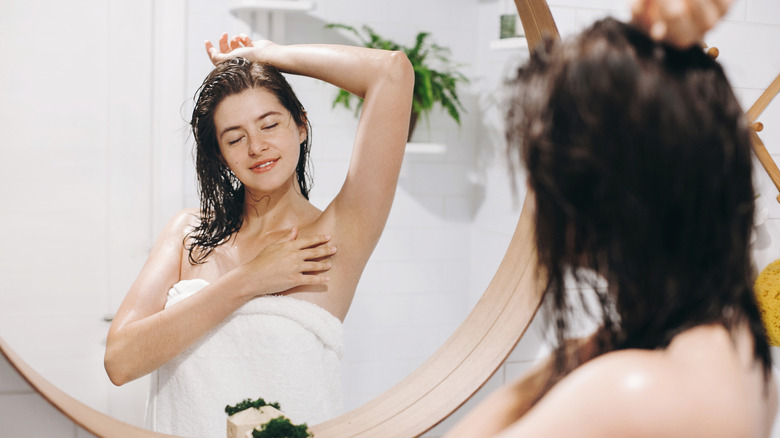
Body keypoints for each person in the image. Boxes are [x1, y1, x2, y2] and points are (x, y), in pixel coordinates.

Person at [446, 10, 775, 438]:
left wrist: (567, 360)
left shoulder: (630, 393)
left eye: (540, 171)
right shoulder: (741, 345)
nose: (534, 190)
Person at [103, 34, 413, 437]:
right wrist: (251, 279)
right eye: (235, 138)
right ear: (220, 154)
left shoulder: (339, 233)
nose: (257, 147)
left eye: (270, 124)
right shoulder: (187, 233)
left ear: (301, 124)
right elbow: (120, 361)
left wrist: (266, 55)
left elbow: (391, 72)